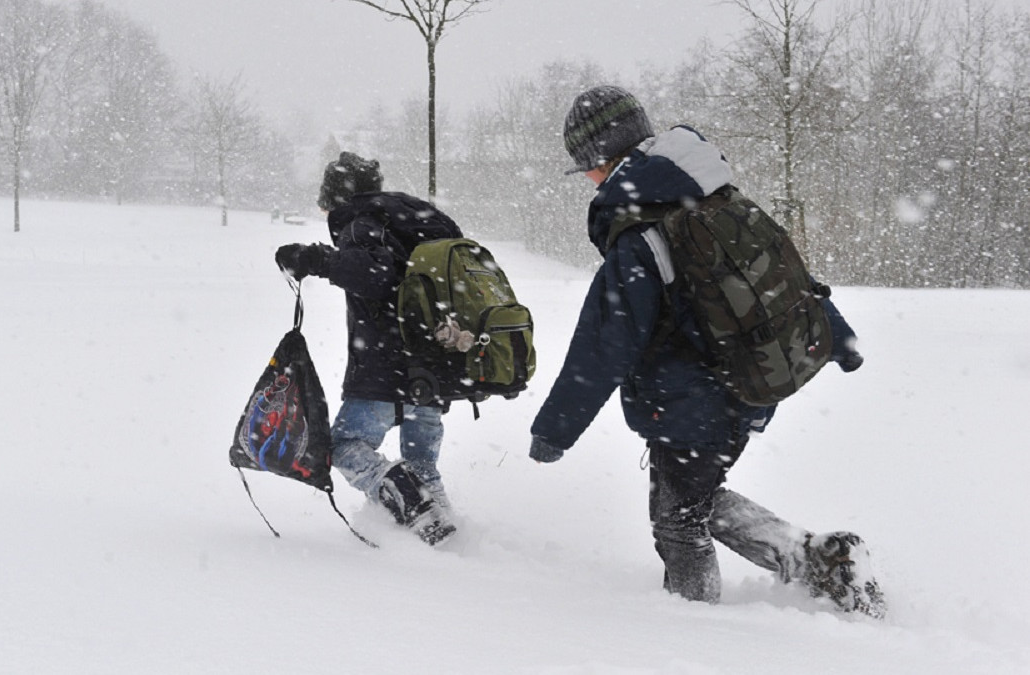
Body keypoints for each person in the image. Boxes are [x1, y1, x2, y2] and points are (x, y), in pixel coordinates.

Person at [528, 86, 885, 617]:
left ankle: (698, 627)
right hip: (750, 379)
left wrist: (554, 431)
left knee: (676, 518)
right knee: (694, 497)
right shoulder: (720, 199)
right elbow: (787, 277)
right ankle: (816, 560)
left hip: (691, 401)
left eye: (587, 167)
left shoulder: (642, 236)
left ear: (604, 160)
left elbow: (603, 347)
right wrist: (838, 336)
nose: (587, 179)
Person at [274, 151, 461, 546]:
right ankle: (450, 542)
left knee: (342, 445)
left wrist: (317, 259)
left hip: (386, 370)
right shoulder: (416, 221)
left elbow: (377, 276)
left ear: (333, 198)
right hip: (435, 369)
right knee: (423, 467)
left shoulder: (360, 225)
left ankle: (414, 508)